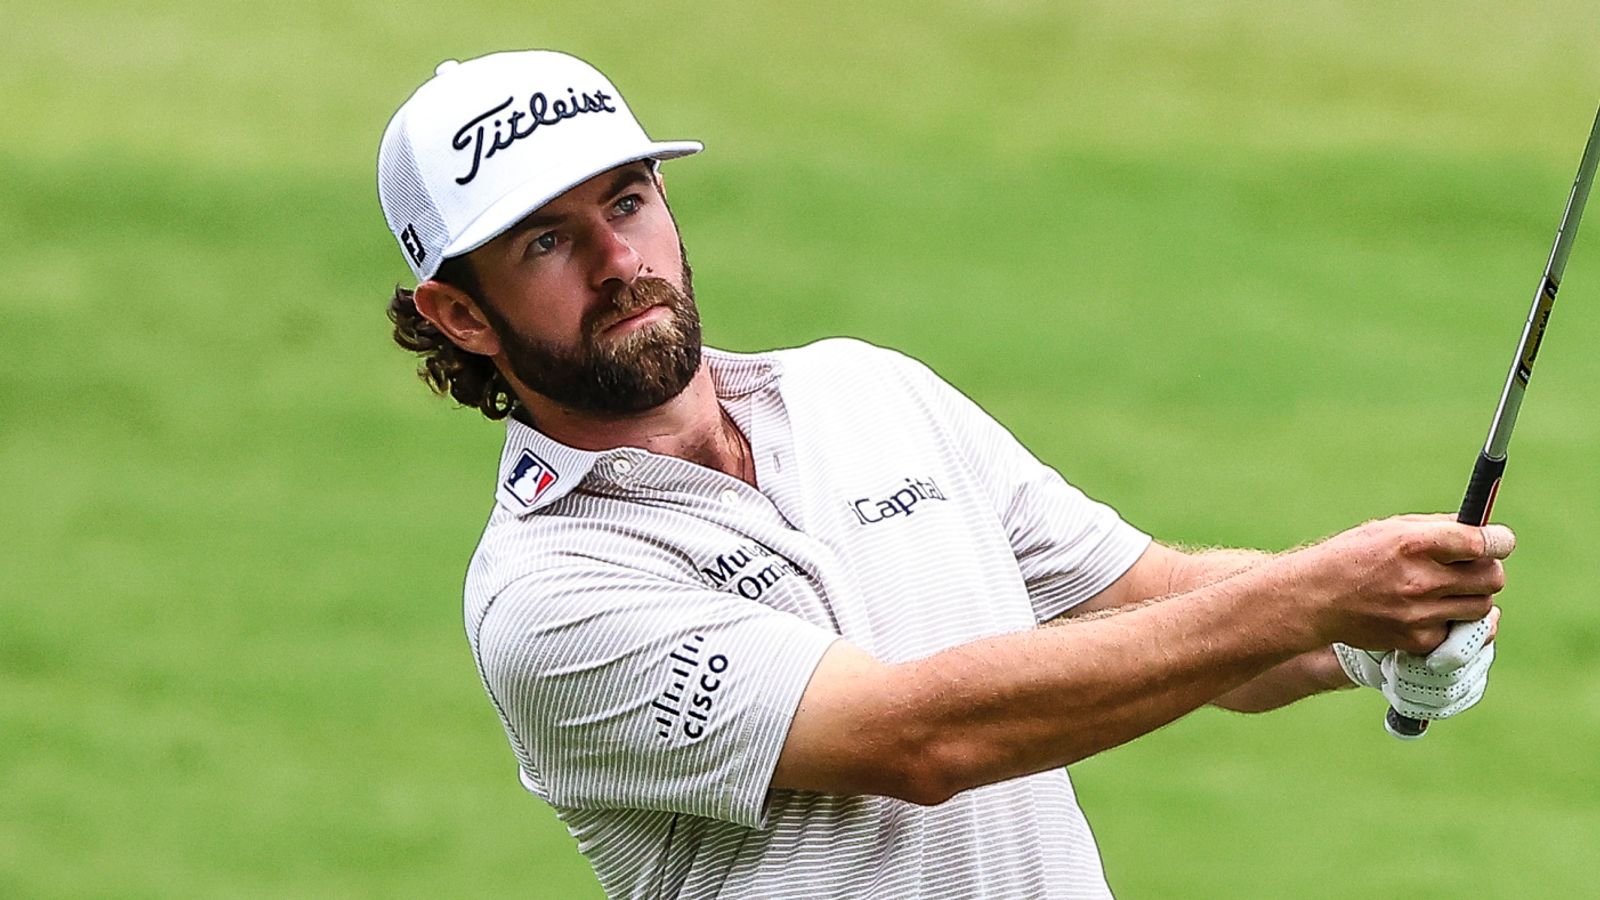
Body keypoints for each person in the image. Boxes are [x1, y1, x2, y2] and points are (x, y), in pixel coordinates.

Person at [376, 50, 1511, 899]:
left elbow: (1155, 609)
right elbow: (916, 741)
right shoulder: (547, 596)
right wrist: (1314, 595)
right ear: (459, 314)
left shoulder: (863, 392)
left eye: (627, 202)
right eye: (546, 241)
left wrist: (1371, 631)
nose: (620, 262)